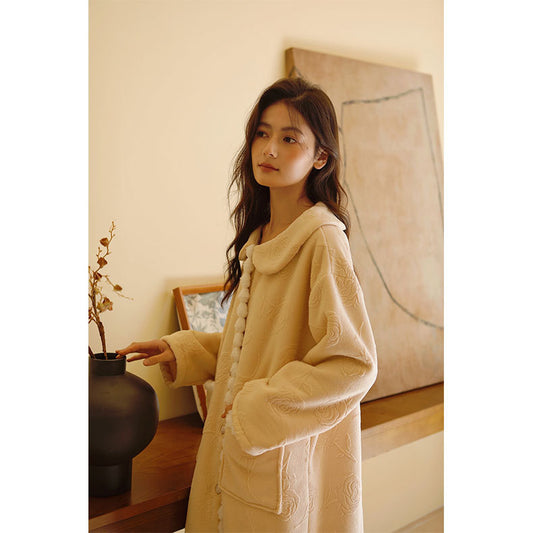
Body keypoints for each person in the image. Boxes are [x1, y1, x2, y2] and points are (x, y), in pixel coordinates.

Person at [117, 77, 378, 533]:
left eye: (289, 138)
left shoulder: (321, 239)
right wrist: (185, 351)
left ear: (320, 156)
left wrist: (254, 410)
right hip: (232, 457)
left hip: (277, 461)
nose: (269, 149)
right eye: (262, 133)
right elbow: (258, 346)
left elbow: (353, 364)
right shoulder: (261, 235)